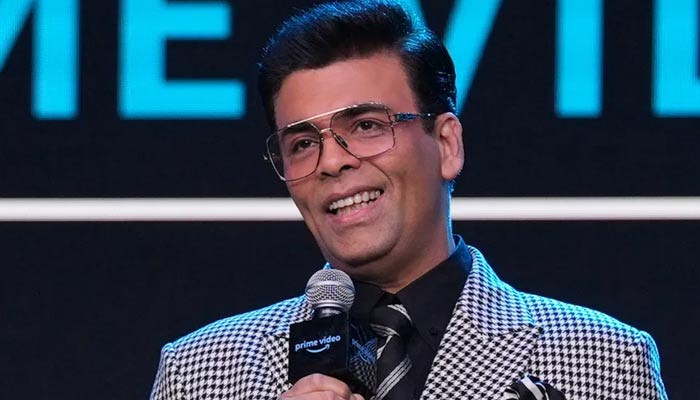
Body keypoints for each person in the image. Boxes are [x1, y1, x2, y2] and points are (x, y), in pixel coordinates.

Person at [150, 1, 667, 399]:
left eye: (366, 125)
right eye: (303, 143)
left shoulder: (601, 360)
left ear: (446, 144)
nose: (332, 162)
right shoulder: (199, 372)